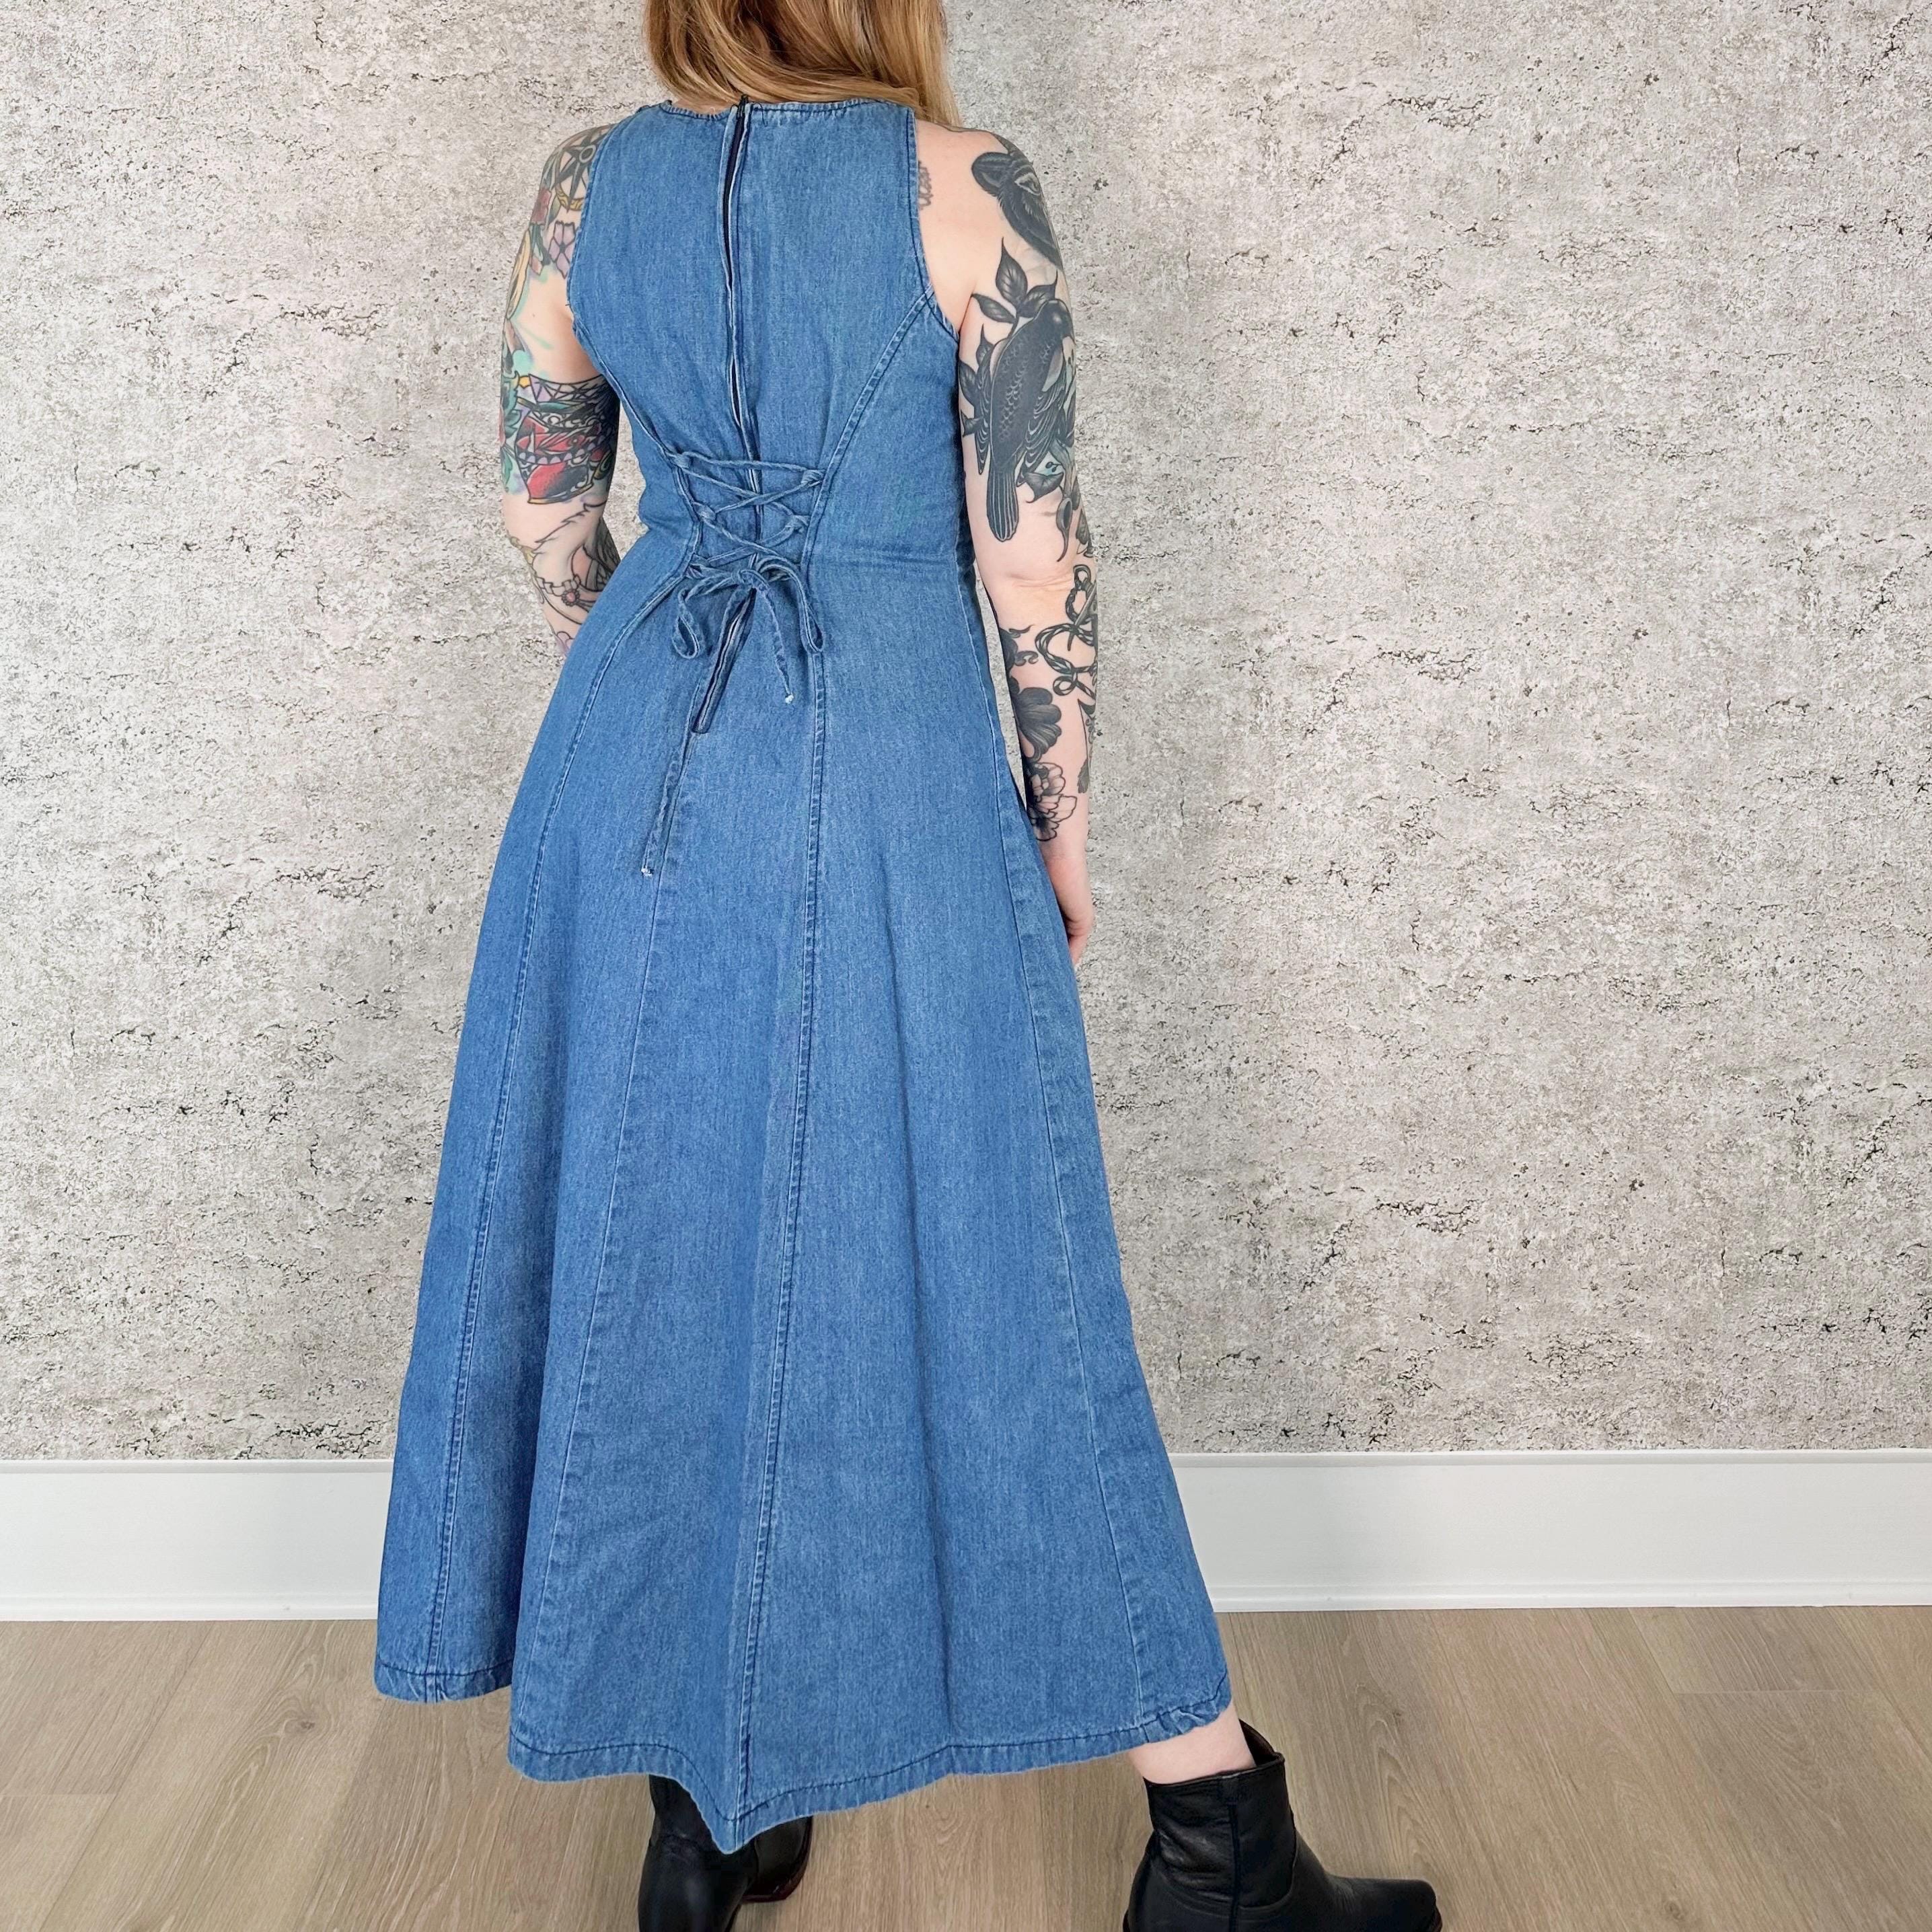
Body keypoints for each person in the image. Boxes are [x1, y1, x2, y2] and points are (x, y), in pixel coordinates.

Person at [372, 3, 1440, 1928]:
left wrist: (657, 693)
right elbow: (1029, 557)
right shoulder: (967, 188)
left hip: (628, 767)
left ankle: (707, 1814)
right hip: (889, 763)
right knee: (994, 1260)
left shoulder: (584, 190)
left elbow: (544, 505)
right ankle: (1214, 1845)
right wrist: (1062, 820)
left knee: (662, 1244)